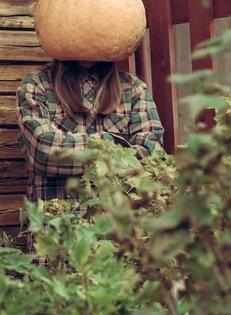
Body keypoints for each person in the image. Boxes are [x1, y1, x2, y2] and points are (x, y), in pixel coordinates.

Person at [16, 59, 164, 257]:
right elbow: (45, 151)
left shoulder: (133, 89)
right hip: (57, 239)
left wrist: (74, 150)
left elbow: (151, 153)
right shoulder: (38, 85)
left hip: (117, 239)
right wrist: (112, 145)